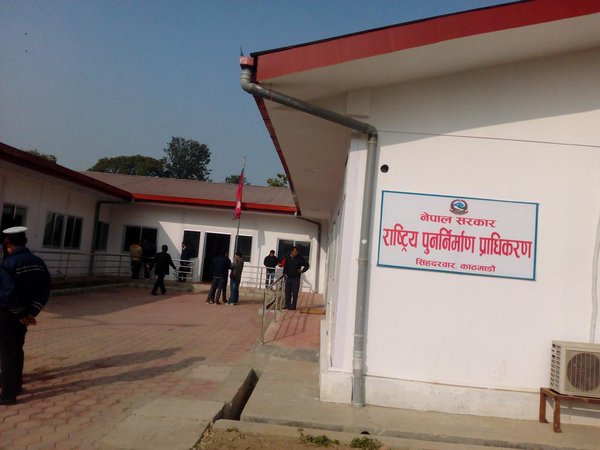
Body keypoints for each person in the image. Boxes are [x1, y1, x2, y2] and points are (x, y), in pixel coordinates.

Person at [0, 226, 51, 405]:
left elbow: (7, 293)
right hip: (25, 316)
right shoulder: (38, 262)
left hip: (8, 314)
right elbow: (45, 289)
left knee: (7, 353)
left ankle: (7, 394)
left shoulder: (8, 264)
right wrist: (30, 313)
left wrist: (20, 313)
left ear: (9, 245)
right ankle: (16, 385)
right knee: (17, 349)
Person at [281, 246, 309, 310]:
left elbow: (307, 265)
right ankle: (287, 305)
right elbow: (286, 266)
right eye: (295, 251)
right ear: (292, 251)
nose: (296, 253)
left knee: (295, 293)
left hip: (296, 279)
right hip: (288, 278)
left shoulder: (299, 258)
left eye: (297, 251)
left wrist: (302, 271)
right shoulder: (287, 257)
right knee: (287, 293)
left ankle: (293, 306)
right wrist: (284, 273)